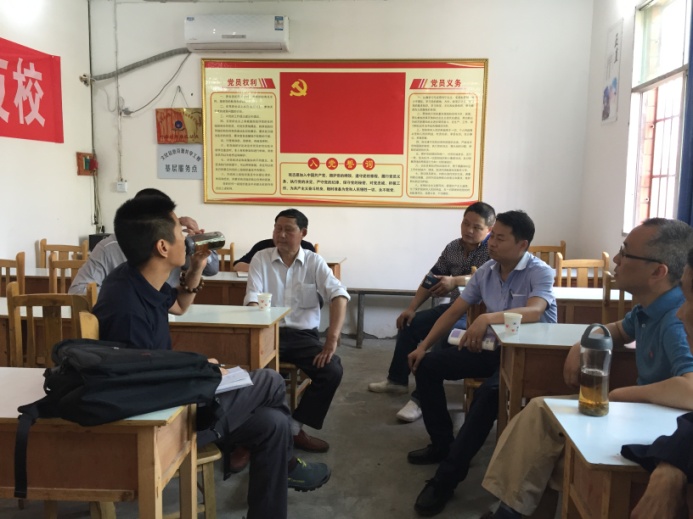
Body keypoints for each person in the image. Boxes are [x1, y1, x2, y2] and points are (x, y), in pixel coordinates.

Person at [92, 196, 330, 519]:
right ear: (163, 246)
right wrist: (201, 370)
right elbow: (145, 387)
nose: (189, 238)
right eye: (180, 232)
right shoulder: (129, 312)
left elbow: (179, 306)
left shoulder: (133, 278)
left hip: (170, 394)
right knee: (271, 380)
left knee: (274, 424)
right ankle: (285, 464)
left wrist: (196, 267)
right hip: (167, 420)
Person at [481, 218, 693, 519]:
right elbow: (617, 330)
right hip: (641, 415)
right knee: (543, 424)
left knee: (543, 423)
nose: (616, 259)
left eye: (625, 253)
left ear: (658, 271)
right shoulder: (649, 307)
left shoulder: (675, 318)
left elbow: (690, 388)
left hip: (662, 424)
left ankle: (511, 511)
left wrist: (621, 394)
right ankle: (513, 509)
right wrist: (581, 342)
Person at [406, 210, 557, 517]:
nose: (492, 243)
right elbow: (453, 311)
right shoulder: (486, 271)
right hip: (494, 350)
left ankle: (446, 479)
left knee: (488, 395)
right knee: (427, 365)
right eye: (493, 237)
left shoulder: (539, 272)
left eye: (500, 238)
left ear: (522, 244)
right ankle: (443, 444)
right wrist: (422, 346)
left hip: (529, 357)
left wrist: (487, 318)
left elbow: (535, 310)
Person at [368, 202, 496, 423]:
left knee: (445, 336)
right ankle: (397, 381)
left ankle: (420, 399)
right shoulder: (453, 248)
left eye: (476, 227)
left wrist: (455, 281)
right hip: (454, 307)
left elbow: (484, 276)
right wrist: (411, 308)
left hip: (479, 314)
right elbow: (431, 279)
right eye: (465, 223)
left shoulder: (493, 250)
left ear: (489, 230)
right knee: (409, 323)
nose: (469, 230)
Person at [245, 208, 349, 453]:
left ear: (303, 233)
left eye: (288, 230)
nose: (281, 234)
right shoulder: (261, 258)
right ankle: (247, 438)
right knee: (246, 373)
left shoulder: (314, 261)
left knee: (331, 370)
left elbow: (339, 295)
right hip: (267, 331)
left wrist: (332, 339)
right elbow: (252, 299)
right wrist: (259, 322)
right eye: (277, 228)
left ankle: (293, 429)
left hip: (302, 337)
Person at [68, 188, 219, 295]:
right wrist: (122, 299)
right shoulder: (109, 247)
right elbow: (78, 291)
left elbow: (211, 270)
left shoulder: (176, 243)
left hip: (163, 312)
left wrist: (198, 243)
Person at [234, 238, 315, 272]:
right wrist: (262, 268)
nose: (283, 234)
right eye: (279, 229)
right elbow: (237, 265)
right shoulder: (262, 246)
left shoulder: (306, 247)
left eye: (289, 230)